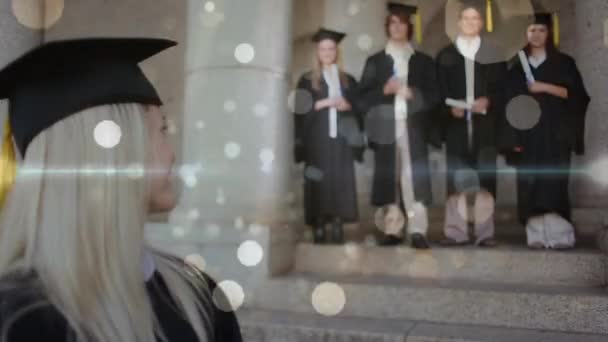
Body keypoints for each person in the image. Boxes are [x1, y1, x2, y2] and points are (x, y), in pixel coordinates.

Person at [0, 38, 242, 342]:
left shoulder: (198, 297)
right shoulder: (22, 321)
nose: (171, 154)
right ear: (117, 150)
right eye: (161, 130)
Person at [501, 11, 590, 249]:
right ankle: (536, 235)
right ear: (526, 33)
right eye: (532, 30)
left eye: (541, 30)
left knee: (554, 182)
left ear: (549, 33)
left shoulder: (564, 63)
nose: (536, 35)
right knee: (530, 183)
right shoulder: (516, 67)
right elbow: (507, 105)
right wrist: (513, 140)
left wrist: (544, 87)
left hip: (555, 133)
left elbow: (577, 96)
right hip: (528, 136)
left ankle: (560, 235)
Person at [358, 3, 439, 249]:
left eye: (401, 23)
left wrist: (412, 93)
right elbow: (362, 99)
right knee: (389, 177)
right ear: (387, 27)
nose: (397, 27)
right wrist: (385, 89)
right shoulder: (375, 61)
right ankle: (392, 229)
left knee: (413, 178)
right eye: (392, 22)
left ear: (409, 27)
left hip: (412, 127)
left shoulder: (422, 61)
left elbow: (435, 96)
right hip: (386, 127)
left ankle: (418, 230)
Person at [436, 0, 507, 247]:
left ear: (481, 23)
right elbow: (438, 91)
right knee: (456, 177)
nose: (470, 23)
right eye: (466, 18)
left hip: (484, 124)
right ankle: (456, 232)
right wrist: (449, 109)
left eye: (475, 18)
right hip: (456, 125)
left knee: (485, 178)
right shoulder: (446, 54)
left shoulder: (494, 54)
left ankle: (485, 233)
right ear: (458, 23)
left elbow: (503, 89)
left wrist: (488, 100)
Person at [294, 28, 363, 245]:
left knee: (339, 180)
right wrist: (322, 103)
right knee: (319, 180)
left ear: (336, 51)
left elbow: (360, 108)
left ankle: (337, 223)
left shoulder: (348, 80)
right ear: (317, 52)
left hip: (341, 138)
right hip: (318, 137)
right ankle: (319, 224)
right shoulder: (307, 80)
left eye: (331, 48)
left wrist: (347, 105)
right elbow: (299, 108)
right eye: (323, 48)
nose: (326, 52)